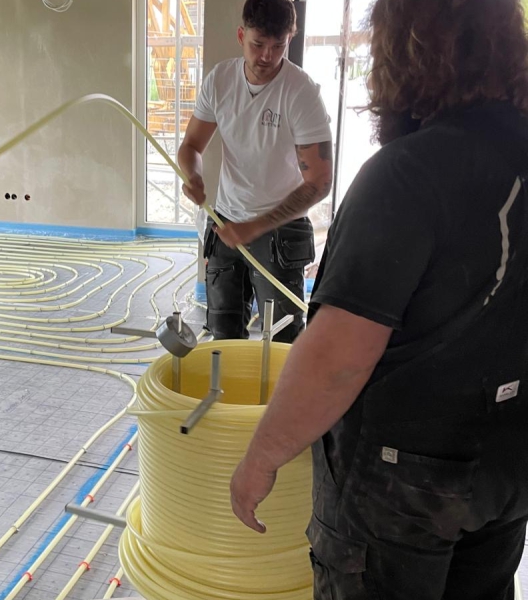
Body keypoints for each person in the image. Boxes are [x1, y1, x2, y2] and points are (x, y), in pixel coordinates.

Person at [229, 0, 528, 597]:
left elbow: (338, 358)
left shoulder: (409, 173)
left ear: (405, 51)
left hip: (402, 479)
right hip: (510, 460)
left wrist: (261, 458)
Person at [178, 0, 333, 342]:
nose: (267, 56)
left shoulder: (301, 93)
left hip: (281, 230)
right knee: (223, 335)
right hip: (226, 223)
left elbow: (320, 182)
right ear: (240, 35)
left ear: (290, 38)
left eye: (278, 46)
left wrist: (256, 226)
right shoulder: (220, 81)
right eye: (258, 44)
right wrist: (194, 176)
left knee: (282, 339)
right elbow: (190, 146)